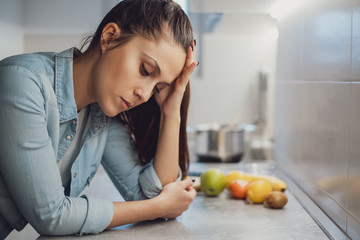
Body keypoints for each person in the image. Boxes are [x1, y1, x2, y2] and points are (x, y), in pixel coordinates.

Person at [0, 0, 198, 237]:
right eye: (145, 70)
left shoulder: (101, 116)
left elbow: (160, 196)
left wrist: (170, 110)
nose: (145, 95)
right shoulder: (22, 82)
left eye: (157, 88)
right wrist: (156, 207)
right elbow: (51, 216)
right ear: (109, 36)